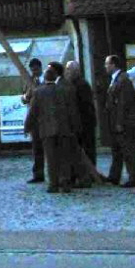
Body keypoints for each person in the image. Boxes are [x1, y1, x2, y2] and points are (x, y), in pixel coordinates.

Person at [25, 63, 78, 193]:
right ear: (55, 78)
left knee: (51, 158)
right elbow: (72, 111)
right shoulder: (65, 90)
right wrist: (75, 126)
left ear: (45, 79)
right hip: (64, 129)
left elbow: (33, 112)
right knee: (64, 157)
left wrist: (27, 126)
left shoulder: (39, 92)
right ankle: (65, 183)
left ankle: (53, 184)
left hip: (47, 130)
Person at [104, 54, 135, 188]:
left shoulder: (123, 80)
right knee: (117, 150)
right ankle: (114, 175)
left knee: (128, 150)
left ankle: (134, 177)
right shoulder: (116, 79)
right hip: (115, 121)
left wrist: (120, 122)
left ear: (113, 65)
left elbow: (124, 104)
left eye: (107, 64)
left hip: (123, 122)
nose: (105, 67)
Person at [63, 60, 98, 172]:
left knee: (87, 148)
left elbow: (85, 106)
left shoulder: (82, 85)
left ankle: (89, 172)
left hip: (84, 123)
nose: (67, 72)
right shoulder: (72, 84)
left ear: (76, 71)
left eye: (69, 69)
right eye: (67, 69)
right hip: (79, 122)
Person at [20, 58, 45, 183]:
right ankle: (38, 174)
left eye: (36, 70)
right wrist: (25, 97)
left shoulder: (47, 80)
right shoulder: (29, 81)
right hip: (34, 119)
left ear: (40, 68)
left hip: (45, 118)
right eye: (32, 70)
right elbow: (24, 97)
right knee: (37, 148)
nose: (34, 72)